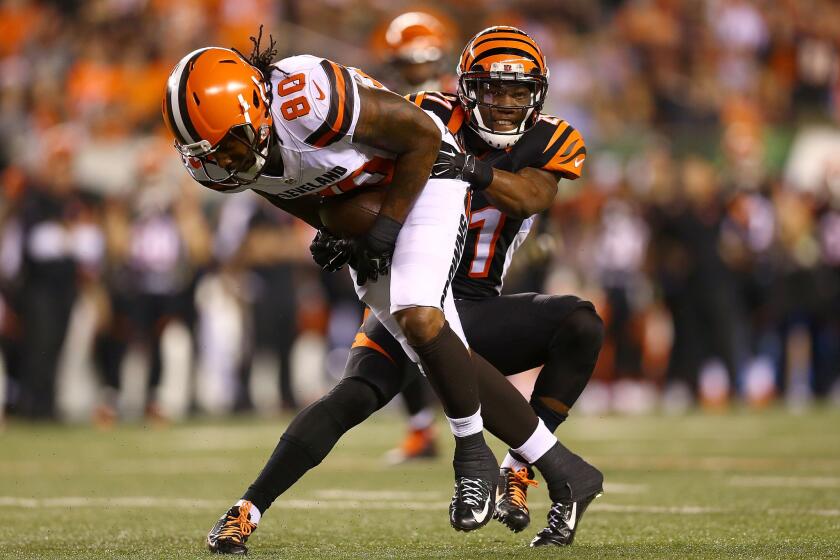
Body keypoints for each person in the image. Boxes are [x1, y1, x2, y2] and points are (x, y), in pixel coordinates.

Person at [189, 27, 603, 554]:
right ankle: (247, 509)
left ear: (537, 95)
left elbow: (529, 197)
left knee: (580, 323)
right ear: (466, 87)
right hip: (407, 274)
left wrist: (469, 169)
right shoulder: (427, 111)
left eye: (519, 91)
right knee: (356, 394)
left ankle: (520, 470)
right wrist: (340, 227)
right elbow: (358, 172)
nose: (505, 102)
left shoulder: (552, 138)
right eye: (493, 89)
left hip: (474, 297)